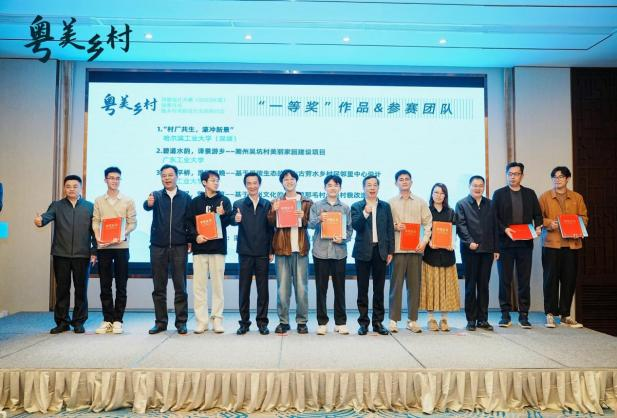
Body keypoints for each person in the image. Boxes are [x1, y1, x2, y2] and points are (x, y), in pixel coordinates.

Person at [34, 175, 96, 334]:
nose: (71, 189)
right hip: (61, 254)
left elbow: (95, 232)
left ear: (81, 188)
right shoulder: (57, 205)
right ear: (64, 188)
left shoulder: (90, 207)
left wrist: (94, 252)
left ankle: (79, 322)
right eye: (68, 186)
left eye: (75, 186)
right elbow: (46, 217)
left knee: (81, 290)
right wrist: (39, 221)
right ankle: (62, 322)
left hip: (82, 255)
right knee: (62, 289)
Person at [492, 162, 542, 329]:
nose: (513, 177)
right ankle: (505, 315)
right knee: (504, 280)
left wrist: (538, 227)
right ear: (506, 175)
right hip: (505, 244)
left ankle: (524, 315)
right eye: (510, 174)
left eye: (516, 174)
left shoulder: (530, 193)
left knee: (524, 281)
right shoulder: (499, 194)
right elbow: (494, 217)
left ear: (522, 175)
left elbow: (538, 215)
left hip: (525, 244)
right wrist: (505, 229)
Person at [144, 164, 192, 335]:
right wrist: (148, 203)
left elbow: (189, 221)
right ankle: (160, 322)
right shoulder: (156, 195)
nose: (167, 178)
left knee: (181, 287)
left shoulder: (186, 197)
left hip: (179, 246)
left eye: (170, 175)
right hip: (158, 246)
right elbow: (147, 205)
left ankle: (181, 322)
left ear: (177, 176)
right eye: (164, 175)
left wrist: (190, 240)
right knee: (159, 288)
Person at [539, 166, 588, 328]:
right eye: (554, 177)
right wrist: (548, 223)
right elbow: (537, 218)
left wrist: (577, 227)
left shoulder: (577, 197)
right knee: (550, 280)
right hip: (551, 244)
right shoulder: (545, 197)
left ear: (567, 179)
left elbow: (584, 218)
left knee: (569, 280)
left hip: (572, 245)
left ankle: (565, 315)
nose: (557, 179)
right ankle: (550, 314)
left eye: (560, 177)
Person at [267, 169, 313, 334]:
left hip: (300, 250)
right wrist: (274, 211)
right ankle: (283, 321)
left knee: (302, 288)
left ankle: (302, 322)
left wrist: (303, 217)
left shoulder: (307, 202)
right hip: (281, 249)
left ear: (296, 181)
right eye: (285, 179)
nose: (289, 181)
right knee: (282, 289)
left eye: (292, 178)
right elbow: (269, 223)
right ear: (282, 183)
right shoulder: (276, 201)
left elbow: (313, 223)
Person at [92, 167, 137, 334]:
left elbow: (133, 223)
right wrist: (99, 236)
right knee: (105, 285)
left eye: (117, 178)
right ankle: (107, 319)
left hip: (121, 247)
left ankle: (118, 320)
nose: (114, 181)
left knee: (121, 284)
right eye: (111, 178)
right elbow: (95, 221)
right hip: (104, 247)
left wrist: (121, 234)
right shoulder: (98, 200)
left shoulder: (128, 200)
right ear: (105, 180)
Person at [188, 170, 232, 334]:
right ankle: (202, 321)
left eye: (217, 180)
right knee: (199, 287)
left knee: (217, 286)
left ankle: (217, 320)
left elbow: (229, 221)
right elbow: (189, 222)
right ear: (204, 182)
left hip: (218, 248)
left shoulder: (224, 200)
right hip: (200, 249)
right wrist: (195, 237)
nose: (216, 183)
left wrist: (223, 214)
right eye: (213, 180)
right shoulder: (195, 202)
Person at [308, 175, 353, 335]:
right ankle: (322, 322)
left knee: (339, 289)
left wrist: (343, 239)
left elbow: (349, 230)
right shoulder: (317, 206)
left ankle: (340, 322)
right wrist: (318, 219)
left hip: (339, 253)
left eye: (336, 185)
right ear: (325, 188)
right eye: (329, 185)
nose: (332, 188)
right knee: (321, 289)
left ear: (340, 188)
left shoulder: (345, 208)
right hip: (320, 252)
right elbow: (309, 224)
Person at [388, 170, 432, 333]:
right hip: (398, 250)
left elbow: (428, 223)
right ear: (396, 183)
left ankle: (412, 320)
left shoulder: (421, 202)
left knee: (414, 286)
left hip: (415, 250)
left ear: (411, 182)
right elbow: (384, 224)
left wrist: (424, 241)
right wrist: (394, 226)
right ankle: (393, 320)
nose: (404, 181)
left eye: (407, 179)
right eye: (401, 179)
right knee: (396, 286)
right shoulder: (390, 203)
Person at [455, 175, 499, 331]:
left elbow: (495, 227)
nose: (478, 188)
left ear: (484, 187)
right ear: (469, 186)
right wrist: (469, 242)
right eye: (475, 185)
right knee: (470, 285)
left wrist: (496, 248)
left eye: (481, 185)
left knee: (483, 286)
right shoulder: (461, 204)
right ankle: (471, 320)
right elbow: (461, 226)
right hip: (470, 251)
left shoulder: (491, 204)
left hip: (487, 250)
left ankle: (483, 319)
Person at [351, 175, 394, 336]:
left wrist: (390, 251)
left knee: (379, 290)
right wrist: (365, 213)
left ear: (378, 187)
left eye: (375, 185)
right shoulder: (357, 206)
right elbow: (356, 226)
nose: (372, 188)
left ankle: (378, 322)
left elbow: (390, 229)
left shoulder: (385, 206)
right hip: (362, 252)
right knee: (362, 289)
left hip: (380, 252)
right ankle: (363, 323)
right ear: (363, 188)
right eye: (369, 185)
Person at [232, 172, 273, 335]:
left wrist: (271, 250)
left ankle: (262, 322)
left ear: (259, 184)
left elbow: (271, 229)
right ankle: (244, 323)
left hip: (262, 252)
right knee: (244, 289)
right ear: (245, 185)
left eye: (255, 183)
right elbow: (230, 220)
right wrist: (234, 219)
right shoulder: (238, 204)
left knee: (263, 290)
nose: (252, 186)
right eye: (249, 183)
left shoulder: (267, 204)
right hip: (245, 252)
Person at [419, 183, 460, 331]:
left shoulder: (451, 212)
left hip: (448, 256)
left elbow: (454, 231)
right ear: (431, 194)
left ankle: (444, 319)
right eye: (436, 192)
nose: (439, 195)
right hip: (430, 256)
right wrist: (428, 242)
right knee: (430, 288)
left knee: (446, 289)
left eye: (442, 193)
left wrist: (451, 243)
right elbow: (422, 230)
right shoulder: (426, 211)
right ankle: (430, 319)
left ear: (445, 196)